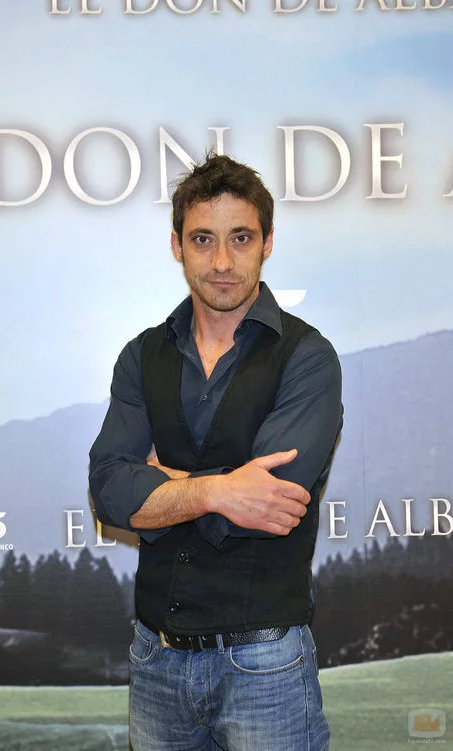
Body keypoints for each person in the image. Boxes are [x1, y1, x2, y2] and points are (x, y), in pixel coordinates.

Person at [89, 154, 342, 751]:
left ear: (267, 243)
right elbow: (110, 492)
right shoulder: (141, 356)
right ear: (177, 245)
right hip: (155, 658)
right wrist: (221, 490)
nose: (223, 262)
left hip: (266, 664)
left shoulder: (308, 358)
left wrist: (161, 487)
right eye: (203, 239)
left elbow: (268, 508)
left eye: (241, 238)